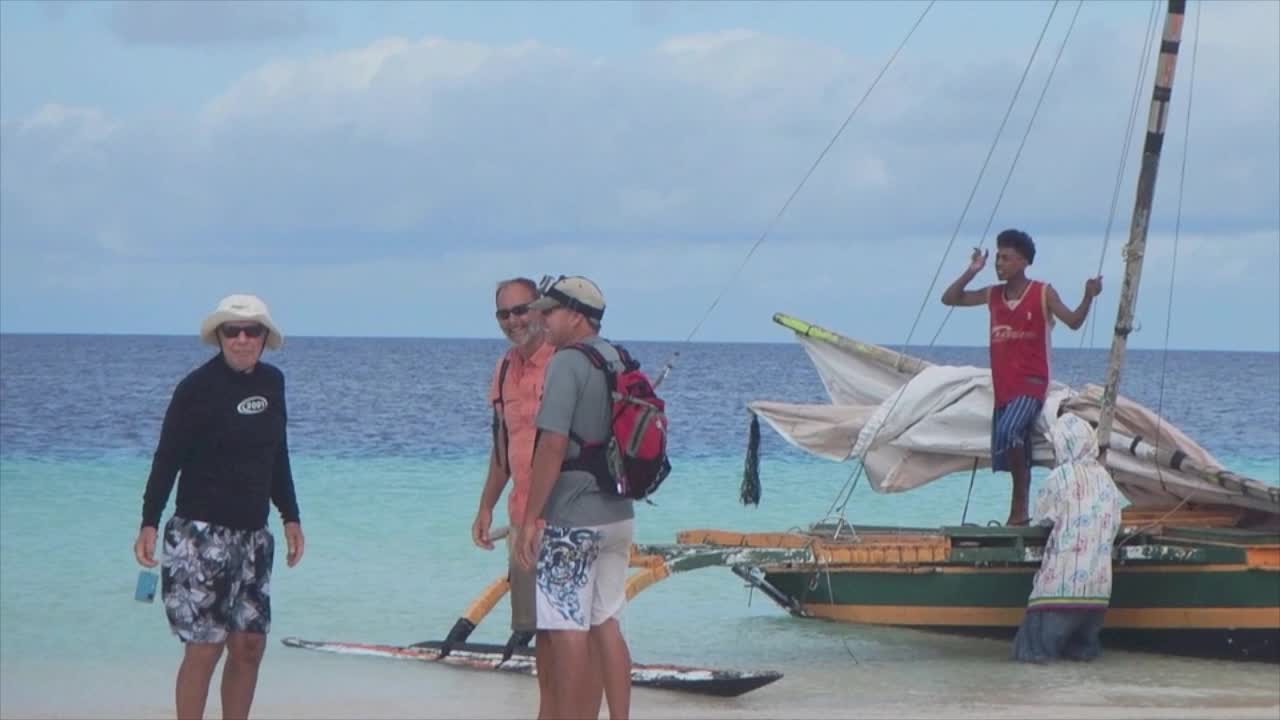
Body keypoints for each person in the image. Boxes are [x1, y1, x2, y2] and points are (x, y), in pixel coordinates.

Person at [132, 293, 305, 720]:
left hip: (254, 537)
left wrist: (291, 515)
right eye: (233, 331)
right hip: (199, 534)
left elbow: (276, 453)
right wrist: (149, 520)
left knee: (249, 645)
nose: (243, 339)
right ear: (219, 336)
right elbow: (166, 457)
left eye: (252, 331)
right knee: (205, 645)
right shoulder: (195, 389)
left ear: (265, 337)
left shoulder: (272, 383)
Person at [517, 275, 635, 720]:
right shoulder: (619, 358)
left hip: (572, 516)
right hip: (620, 513)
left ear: (578, 316)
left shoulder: (567, 362)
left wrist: (531, 518)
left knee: (566, 625)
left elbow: (551, 445)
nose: (541, 319)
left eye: (550, 311)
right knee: (605, 621)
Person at [941, 228, 1102, 525]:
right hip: (1005, 386)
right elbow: (949, 298)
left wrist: (1088, 296)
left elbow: (1074, 322)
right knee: (1011, 449)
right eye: (997, 257)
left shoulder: (1042, 292)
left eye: (1006, 258)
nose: (998, 263)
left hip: (1032, 383)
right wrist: (972, 270)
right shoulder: (993, 295)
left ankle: (1018, 510)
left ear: (1023, 261)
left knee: (1010, 431)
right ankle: (1021, 514)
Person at [469, 276, 562, 718]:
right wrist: (485, 505)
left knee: (574, 632)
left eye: (521, 310)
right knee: (538, 632)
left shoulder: (565, 362)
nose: (513, 321)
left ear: (541, 309)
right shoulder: (505, 367)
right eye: (504, 314)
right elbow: (504, 450)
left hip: (566, 517)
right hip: (521, 518)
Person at [1012, 413, 1123, 663]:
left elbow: (1043, 520)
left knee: (1032, 658)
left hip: (1057, 591)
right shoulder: (1107, 480)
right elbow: (1116, 522)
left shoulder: (1060, 477)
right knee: (1081, 659)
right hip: (1098, 592)